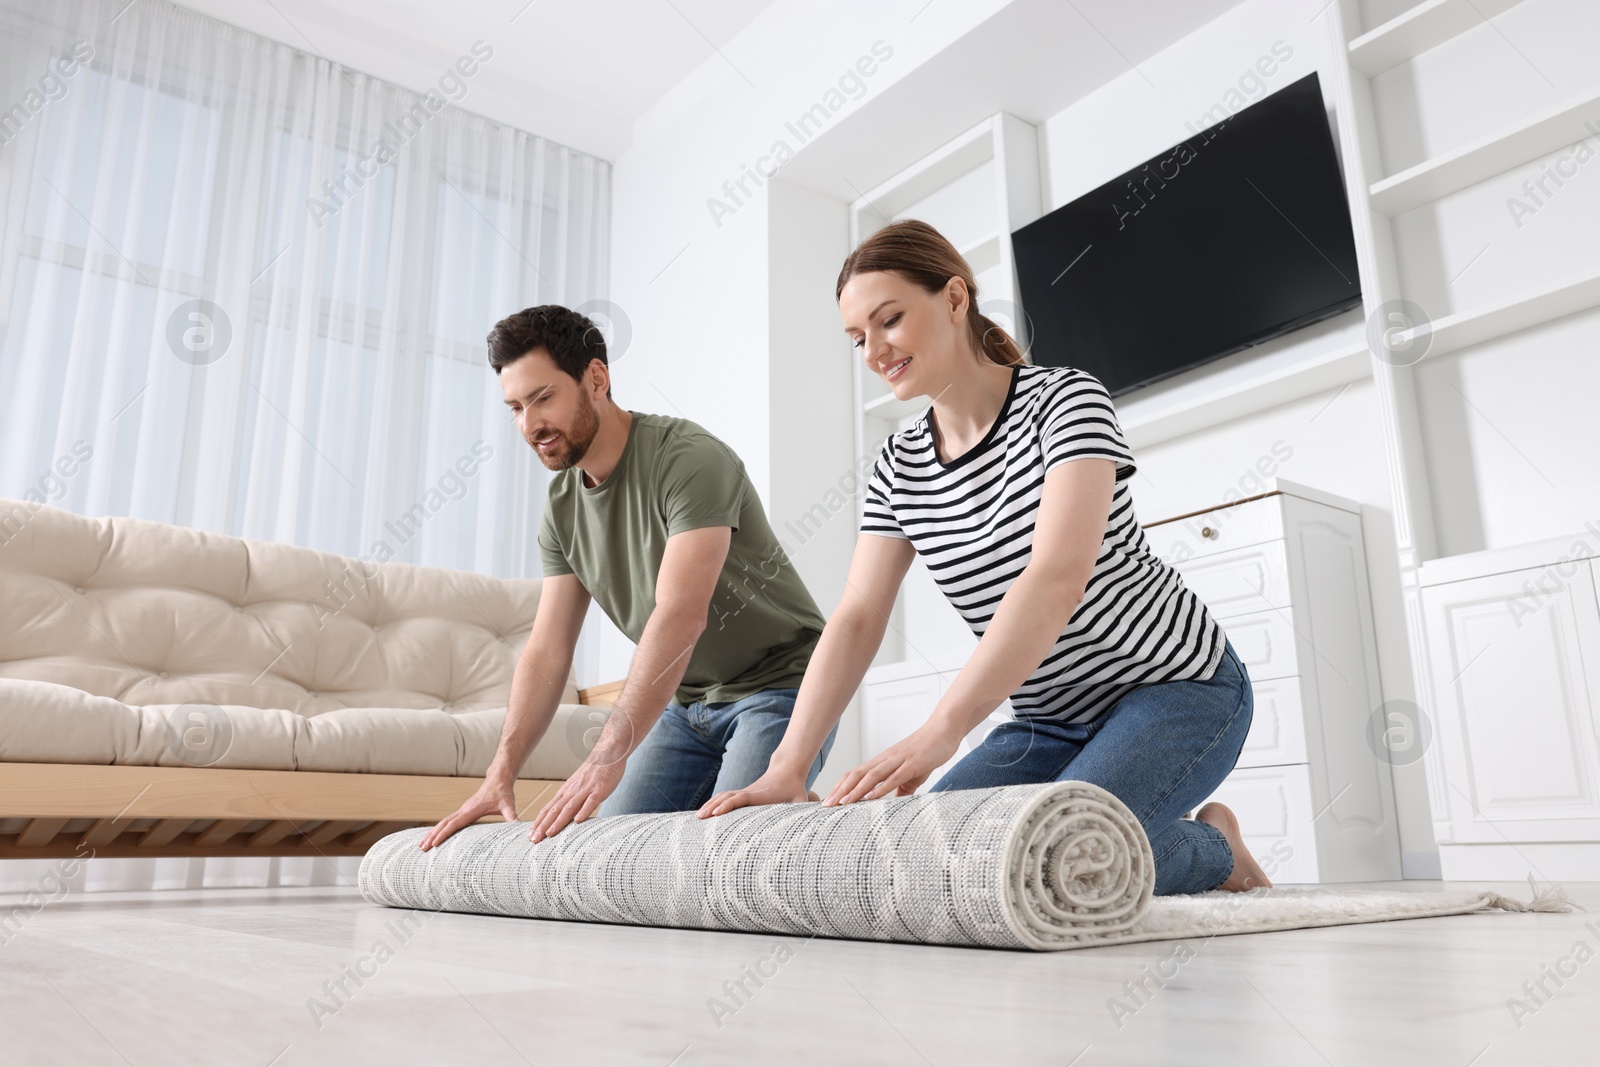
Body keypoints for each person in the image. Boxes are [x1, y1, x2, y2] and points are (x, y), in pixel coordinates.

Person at [698, 219, 1271, 895]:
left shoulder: (1066, 401)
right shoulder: (897, 465)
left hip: (1176, 689)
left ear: (954, 299)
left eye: (889, 320)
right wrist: (786, 766)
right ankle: (1162, 840)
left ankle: (1216, 851)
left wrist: (943, 731)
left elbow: (1056, 577)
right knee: (933, 863)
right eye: (858, 338)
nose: (875, 350)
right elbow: (856, 615)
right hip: (1049, 718)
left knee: (1055, 862)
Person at [420, 305, 835, 851]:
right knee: (611, 856)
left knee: (731, 854)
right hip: (685, 708)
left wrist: (606, 755)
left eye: (543, 398)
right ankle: (792, 811)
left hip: (782, 687)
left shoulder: (689, 459)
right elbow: (547, 651)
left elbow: (680, 615)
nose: (529, 425)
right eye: (515, 407)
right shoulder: (562, 507)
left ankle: (809, 819)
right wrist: (501, 772)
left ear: (596, 379)